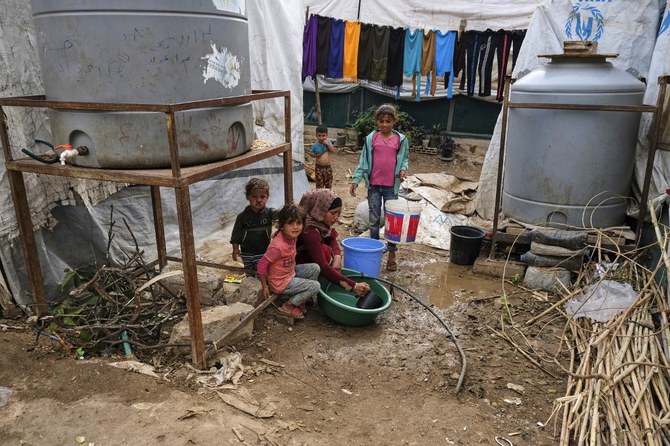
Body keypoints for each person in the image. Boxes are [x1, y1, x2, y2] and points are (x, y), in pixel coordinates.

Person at [349, 104, 410, 272]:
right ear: (377, 121)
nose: (384, 125)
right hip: (374, 186)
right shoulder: (371, 139)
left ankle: (391, 255)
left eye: (388, 121)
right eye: (381, 121)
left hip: (391, 187)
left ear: (394, 121)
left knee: (392, 222)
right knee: (374, 220)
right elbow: (363, 162)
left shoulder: (401, 140)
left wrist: (403, 169)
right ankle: (374, 254)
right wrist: (356, 180)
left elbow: (404, 159)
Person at [297, 189, 371, 296]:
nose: (336, 217)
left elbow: (331, 238)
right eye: (332, 213)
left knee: (329, 250)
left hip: (308, 259)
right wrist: (353, 286)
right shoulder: (309, 230)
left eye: (338, 213)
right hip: (294, 267)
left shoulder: (319, 222)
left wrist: (337, 256)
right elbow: (323, 266)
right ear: (320, 210)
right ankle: (304, 286)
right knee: (326, 251)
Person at [257, 203, 321, 320]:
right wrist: (265, 286)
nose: (295, 227)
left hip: (289, 273)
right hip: (280, 282)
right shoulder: (277, 246)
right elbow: (262, 265)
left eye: (299, 223)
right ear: (282, 225)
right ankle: (288, 305)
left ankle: (300, 298)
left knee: (315, 268)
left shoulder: (291, 236)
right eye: (290, 223)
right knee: (315, 286)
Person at [230, 178, 274, 273]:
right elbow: (236, 235)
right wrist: (235, 249)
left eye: (262, 197)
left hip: (263, 252)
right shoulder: (242, 217)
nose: (258, 200)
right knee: (249, 274)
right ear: (247, 197)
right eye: (254, 197)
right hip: (247, 253)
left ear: (267, 197)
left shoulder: (270, 213)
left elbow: (283, 217)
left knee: (262, 273)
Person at [308, 125, 335, 189]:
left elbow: (332, 150)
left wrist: (327, 144)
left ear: (327, 135)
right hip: (319, 168)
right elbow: (311, 154)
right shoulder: (315, 145)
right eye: (319, 136)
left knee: (328, 183)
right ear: (316, 135)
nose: (321, 138)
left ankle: (327, 197)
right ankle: (320, 197)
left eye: (323, 136)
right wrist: (315, 155)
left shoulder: (328, 143)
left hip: (328, 167)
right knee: (319, 184)